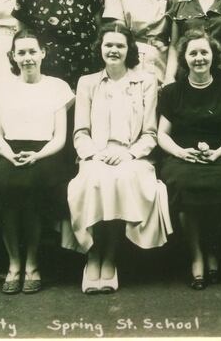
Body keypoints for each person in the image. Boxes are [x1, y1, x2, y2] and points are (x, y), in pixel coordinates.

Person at [63, 23, 172, 294]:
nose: (114, 50)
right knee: (94, 180)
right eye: (108, 45)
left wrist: (127, 153)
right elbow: (80, 133)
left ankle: (109, 257)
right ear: (100, 49)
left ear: (129, 50)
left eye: (120, 45)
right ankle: (93, 256)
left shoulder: (145, 81)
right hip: (95, 155)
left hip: (133, 156)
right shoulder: (87, 83)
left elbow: (150, 133)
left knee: (121, 180)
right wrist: (96, 154)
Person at [0, 29, 74, 294]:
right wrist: (10, 155)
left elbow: (59, 138)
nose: (27, 57)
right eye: (21, 53)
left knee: (29, 189)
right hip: (10, 152)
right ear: (13, 57)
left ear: (43, 53)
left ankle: (32, 263)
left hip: (46, 154)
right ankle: (14, 264)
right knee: (4, 187)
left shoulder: (57, 87)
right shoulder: (3, 89)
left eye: (32, 51)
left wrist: (37, 156)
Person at [158, 30, 221, 290]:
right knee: (184, 185)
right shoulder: (173, 92)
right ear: (184, 59)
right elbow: (162, 134)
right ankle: (196, 254)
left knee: (215, 185)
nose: (199, 58)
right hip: (181, 158)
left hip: (219, 158)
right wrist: (180, 152)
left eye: (204, 52)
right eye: (193, 53)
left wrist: (219, 153)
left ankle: (213, 251)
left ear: (213, 55)